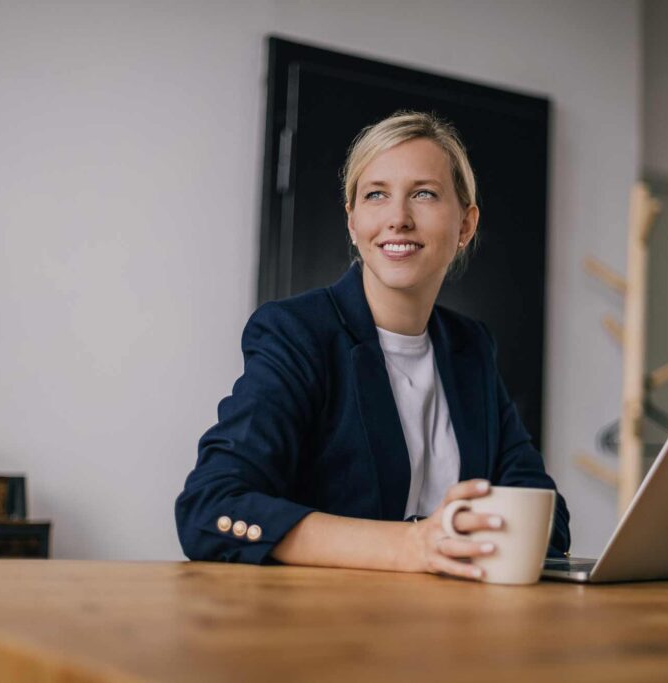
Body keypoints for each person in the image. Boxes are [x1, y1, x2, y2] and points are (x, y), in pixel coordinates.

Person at [175, 111, 570, 581]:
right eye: (376, 195)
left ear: (465, 225)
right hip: (324, 631)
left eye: (423, 194)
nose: (397, 219)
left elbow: (548, 520)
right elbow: (211, 507)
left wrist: (457, 534)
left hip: (452, 631)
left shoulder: (470, 349)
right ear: (353, 221)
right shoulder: (296, 333)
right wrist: (409, 545)